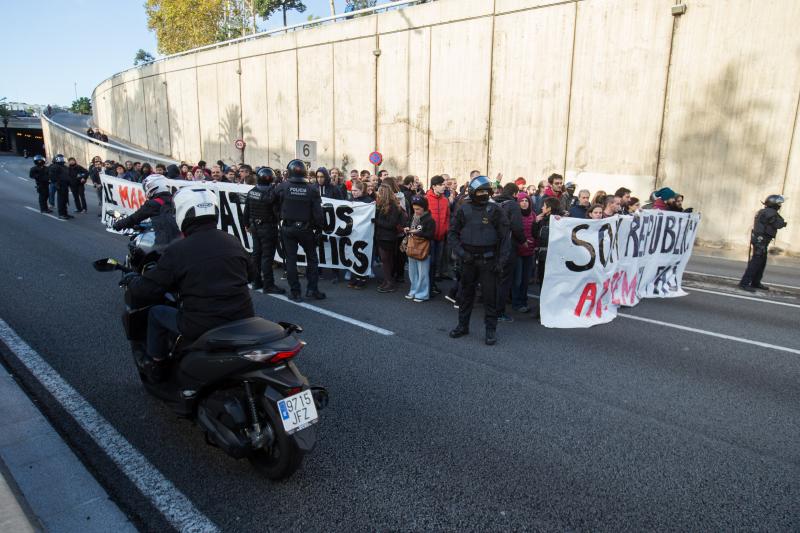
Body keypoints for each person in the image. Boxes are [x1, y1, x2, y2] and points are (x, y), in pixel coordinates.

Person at [125, 187, 256, 379]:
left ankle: (157, 365)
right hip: (243, 316)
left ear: (182, 213)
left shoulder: (178, 250)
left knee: (155, 313)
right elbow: (251, 275)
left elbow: (149, 288)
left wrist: (134, 282)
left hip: (202, 323)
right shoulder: (231, 240)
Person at [448, 176, 510, 346]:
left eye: (486, 191)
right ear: (473, 192)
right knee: (465, 295)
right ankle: (462, 326)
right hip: (467, 260)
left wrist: (501, 262)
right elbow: (452, 234)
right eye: (480, 191)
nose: (483, 194)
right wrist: (461, 253)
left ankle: (490, 331)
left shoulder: (496, 210)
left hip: (489, 262)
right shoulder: (463, 209)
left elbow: (505, 238)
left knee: (490, 298)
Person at [273, 159, 326, 301]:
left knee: (290, 259)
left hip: (288, 228)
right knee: (312, 259)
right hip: (306, 229)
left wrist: (279, 216)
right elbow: (318, 213)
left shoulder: (282, 186)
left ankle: (295, 292)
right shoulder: (312, 189)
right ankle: (312, 289)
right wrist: (319, 229)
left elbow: (272, 203)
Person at [243, 167, 285, 294]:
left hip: (254, 227)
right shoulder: (272, 194)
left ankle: (256, 281)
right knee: (267, 257)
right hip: (268, 228)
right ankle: (269, 284)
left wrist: (246, 225)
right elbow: (278, 213)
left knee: (256, 254)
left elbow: (246, 211)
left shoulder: (252, 192)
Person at [112, 175, 180, 246]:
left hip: (163, 241)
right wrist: (142, 226)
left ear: (153, 187)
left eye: (147, 187)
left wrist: (118, 224)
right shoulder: (174, 200)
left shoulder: (153, 203)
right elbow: (163, 219)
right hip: (179, 239)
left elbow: (134, 218)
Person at [739, 195, 787, 292]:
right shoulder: (770, 213)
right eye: (779, 204)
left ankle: (755, 282)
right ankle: (744, 283)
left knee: (761, 262)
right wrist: (784, 223)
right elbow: (779, 224)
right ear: (774, 204)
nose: (780, 205)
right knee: (756, 262)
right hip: (761, 241)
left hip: (760, 240)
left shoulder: (764, 211)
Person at [493, 182, 526, 322]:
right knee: (505, 280)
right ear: (514, 194)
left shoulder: (493, 202)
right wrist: (523, 240)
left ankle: (490, 308)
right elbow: (517, 227)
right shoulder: (513, 205)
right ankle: (499, 312)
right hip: (508, 247)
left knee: (493, 279)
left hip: (492, 245)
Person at [374, 183, 407, 293]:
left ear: (385, 193)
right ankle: (387, 280)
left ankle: (389, 283)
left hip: (388, 237)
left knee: (386, 260)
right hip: (382, 236)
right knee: (386, 260)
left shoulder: (393, 206)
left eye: (380, 192)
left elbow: (391, 224)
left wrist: (376, 221)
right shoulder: (382, 204)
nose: (378, 194)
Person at [404, 195, 435, 302]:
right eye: (414, 209)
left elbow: (431, 235)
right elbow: (408, 224)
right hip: (412, 246)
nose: (416, 211)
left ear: (424, 208)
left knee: (423, 273)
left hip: (423, 249)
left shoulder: (430, 219)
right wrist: (407, 228)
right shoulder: (413, 216)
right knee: (412, 272)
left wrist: (418, 233)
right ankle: (413, 291)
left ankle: (422, 294)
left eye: (418, 209)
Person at [511, 192, 536, 314]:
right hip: (518, 251)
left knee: (526, 280)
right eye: (522, 201)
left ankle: (523, 301)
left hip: (530, 251)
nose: (524, 203)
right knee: (518, 279)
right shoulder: (515, 215)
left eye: (526, 201)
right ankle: (516, 303)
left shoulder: (534, 215)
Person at [426, 175, 450, 296]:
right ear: (434, 186)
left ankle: (432, 283)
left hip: (441, 237)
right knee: (429, 262)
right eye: (441, 185)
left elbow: (447, 217)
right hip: (429, 237)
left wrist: (446, 229)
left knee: (436, 262)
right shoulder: (426, 198)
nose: (444, 186)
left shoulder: (445, 200)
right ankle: (427, 286)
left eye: (444, 184)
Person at [347, 180, 374, 289]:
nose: (353, 193)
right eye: (352, 190)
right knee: (352, 254)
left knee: (362, 254)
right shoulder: (350, 200)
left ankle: (362, 277)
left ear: (362, 190)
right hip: (353, 233)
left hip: (364, 233)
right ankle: (354, 277)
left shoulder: (368, 201)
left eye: (356, 191)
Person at [48, 154, 72, 219]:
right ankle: (61, 214)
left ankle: (65, 213)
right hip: (60, 185)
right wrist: (56, 183)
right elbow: (52, 176)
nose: (61, 160)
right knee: (61, 200)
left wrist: (69, 183)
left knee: (65, 200)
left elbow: (68, 176)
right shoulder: (54, 166)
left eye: (62, 158)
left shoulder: (65, 167)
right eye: (60, 158)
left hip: (65, 185)